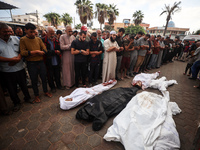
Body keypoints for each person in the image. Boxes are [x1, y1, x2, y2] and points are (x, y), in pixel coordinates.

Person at [0, 22, 32, 112]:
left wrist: (18, 58)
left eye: (8, 31)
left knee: (23, 84)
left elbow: (22, 50)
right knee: (11, 88)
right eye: (4, 32)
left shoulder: (16, 39)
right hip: (7, 70)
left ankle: (27, 98)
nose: (7, 33)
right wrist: (10, 60)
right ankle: (16, 103)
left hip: (19, 67)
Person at [20, 23, 52, 103]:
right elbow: (23, 52)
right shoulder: (23, 40)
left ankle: (46, 91)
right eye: (31, 32)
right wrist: (37, 52)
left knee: (44, 78)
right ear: (26, 30)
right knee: (34, 80)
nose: (33, 34)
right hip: (31, 63)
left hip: (41, 62)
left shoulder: (38, 39)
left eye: (34, 32)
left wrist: (34, 53)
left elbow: (45, 50)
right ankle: (36, 95)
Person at [42, 27, 64, 93]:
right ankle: (52, 87)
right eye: (51, 33)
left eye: (53, 33)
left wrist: (59, 51)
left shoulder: (56, 40)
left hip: (56, 60)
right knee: (50, 75)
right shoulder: (43, 40)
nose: (52, 35)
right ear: (47, 33)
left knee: (57, 74)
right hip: (48, 61)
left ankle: (59, 85)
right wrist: (55, 52)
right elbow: (45, 51)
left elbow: (59, 49)